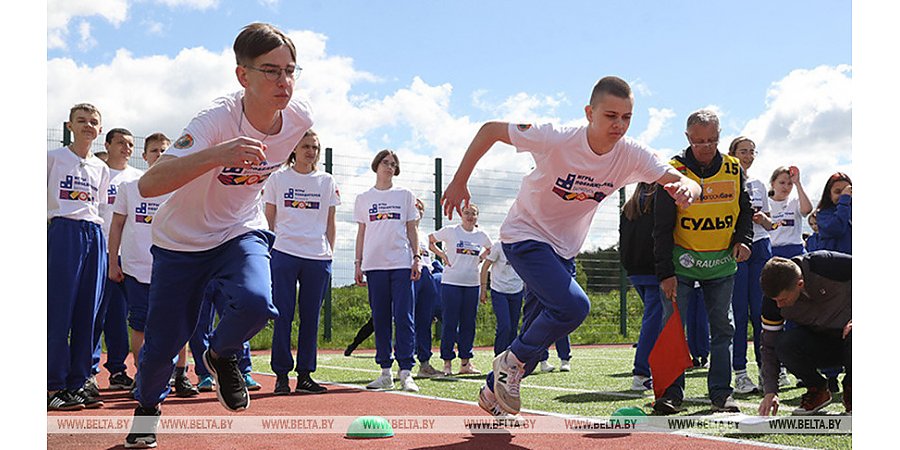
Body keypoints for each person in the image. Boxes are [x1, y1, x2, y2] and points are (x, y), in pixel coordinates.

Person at [441, 76, 701, 418]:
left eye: (626, 117)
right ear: (589, 112)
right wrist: (460, 180)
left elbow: (681, 180)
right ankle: (509, 361)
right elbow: (490, 130)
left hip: (563, 252)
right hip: (525, 235)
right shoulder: (556, 137)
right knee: (574, 307)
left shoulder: (631, 155)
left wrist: (688, 190)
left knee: (534, 343)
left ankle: (493, 389)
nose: (619, 125)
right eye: (610, 116)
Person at [125, 23, 312, 448]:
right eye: (271, 71)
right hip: (181, 243)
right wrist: (220, 154)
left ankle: (222, 352)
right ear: (242, 75)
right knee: (163, 344)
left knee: (258, 303)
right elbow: (150, 185)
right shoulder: (215, 120)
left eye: (290, 71)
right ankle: (148, 408)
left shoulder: (300, 118)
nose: (284, 82)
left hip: (239, 230)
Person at [652, 109, 753, 415]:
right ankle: (670, 394)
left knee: (724, 327)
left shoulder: (735, 169)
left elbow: (745, 211)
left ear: (720, 137)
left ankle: (721, 393)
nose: (706, 147)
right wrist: (664, 273)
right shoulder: (672, 171)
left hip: (721, 263)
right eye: (698, 142)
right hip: (681, 262)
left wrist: (743, 239)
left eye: (711, 140)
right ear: (687, 138)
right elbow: (661, 226)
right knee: (672, 327)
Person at [107, 132, 198, 399]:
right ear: (145, 156)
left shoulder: (181, 188)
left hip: (173, 267)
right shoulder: (129, 187)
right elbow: (117, 226)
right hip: (136, 267)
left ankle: (180, 374)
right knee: (139, 325)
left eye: (164, 151)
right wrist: (114, 261)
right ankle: (143, 374)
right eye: (154, 150)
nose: (159, 155)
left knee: (178, 324)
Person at [264, 129, 339, 395]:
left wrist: (329, 251)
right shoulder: (277, 178)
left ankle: (305, 375)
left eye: (315, 147)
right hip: (283, 252)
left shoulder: (326, 181)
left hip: (317, 257)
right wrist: (268, 251)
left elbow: (331, 221)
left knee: (311, 318)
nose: (311, 151)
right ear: (294, 149)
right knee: (282, 314)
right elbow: (268, 218)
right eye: (306, 146)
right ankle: (281, 376)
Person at [47, 103, 111, 411]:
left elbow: (99, 207)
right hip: (63, 232)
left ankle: (79, 381)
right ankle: (53, 385)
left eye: (93, 122)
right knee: (59, 310)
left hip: (93, 235)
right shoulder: (53, 159)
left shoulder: (102, 168)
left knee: (89, 312)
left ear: (99, 130)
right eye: (81, 120)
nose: (88, 125)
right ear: (70, 125)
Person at [353, 149, 421, 392]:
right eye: (385, 162)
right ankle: (385, 372)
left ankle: (406, 372)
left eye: (393, 164)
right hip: (374, 265)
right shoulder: (363, 198)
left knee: (404, 316)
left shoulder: (405, 195)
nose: (389, 167)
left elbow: (412, 228)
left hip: (401, 263)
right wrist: (358, 263)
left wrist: (417, 257)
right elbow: (361, 232)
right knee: (380, 318)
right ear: (376, 165)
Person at [757, 251, 851, 416]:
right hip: (823, 343)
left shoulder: (828, 265)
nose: (779, 305)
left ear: (799, 284)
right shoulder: (772, 301)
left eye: (783, 300)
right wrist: (770, 391)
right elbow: (769, 346)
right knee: (784, 344)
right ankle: (818, 390)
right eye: (775, 300)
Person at [90, 128, 143, 397]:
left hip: (131, 256)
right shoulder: (97, 173)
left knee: (125, 317)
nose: (126, 147)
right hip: (100, 253)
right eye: (120, 142)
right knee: (96, 314)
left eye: (130, 144)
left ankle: (119, 371)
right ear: (107, 145)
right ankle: (88, 372)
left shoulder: (139, 178)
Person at [726, 137, 772, 395]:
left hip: (761, 246)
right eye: (743, 151)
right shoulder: (725, 181)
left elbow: (770, 223)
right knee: (739, 314)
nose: (748, 156)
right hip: (735, 247)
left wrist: (764, 219)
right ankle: (740, 374)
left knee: (761, 313)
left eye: (752, 152)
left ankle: (767, 373)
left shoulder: (758, 184)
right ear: (731, 154)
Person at [429, 204, 492, 376]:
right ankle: (447, 363)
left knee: (468, 324)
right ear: (461, 215)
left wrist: (481, 258)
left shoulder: (481, 235)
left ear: (477, 217)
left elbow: (491, 249)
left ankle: (465, 362)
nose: (470, 216)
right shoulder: (451, 231)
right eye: (466, 213)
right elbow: (431, 240)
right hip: (451, 283)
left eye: (473, 213)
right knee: (449, 322)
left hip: (472, 284)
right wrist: (442, 255)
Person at [619, 182, 661, 392]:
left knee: (654, 320)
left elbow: (623, 241)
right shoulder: (658, 203)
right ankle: (642, 372)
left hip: (635, 271)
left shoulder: (629, 206)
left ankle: (648, 370)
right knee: (653, 322)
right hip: (654, 270)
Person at [412, 199, 444, 378]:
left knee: (425, 322)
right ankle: (405, 364)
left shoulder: (424, 235)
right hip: (410, 276)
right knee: (407, 320)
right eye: (415, 207)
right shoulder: (403, 230)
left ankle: (424, 364)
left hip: (427, 277)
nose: (418, 210)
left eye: (421, 207)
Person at [481, 241, 524, 359]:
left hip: (517, 291)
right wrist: (483, 289)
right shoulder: (498, 246)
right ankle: (499, 358)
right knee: (505, 326)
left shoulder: (523, 245)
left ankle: (511, 358)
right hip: (499, 291)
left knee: (514, 328)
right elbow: (485, 267)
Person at [767, 166, 813, 258]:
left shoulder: (795, 201)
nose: (786, 187)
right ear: (773, 184)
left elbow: (807, 210)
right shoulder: (766, 203)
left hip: (795, 250)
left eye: (790, 184)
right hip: (773, 250)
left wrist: (797, 183)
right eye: (782, 183)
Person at [814, 172, 852, 254]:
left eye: (847, 191)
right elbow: (837, 228)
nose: (843, 195)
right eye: (838, 192)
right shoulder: (822, 214)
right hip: (833, 263)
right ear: (829, 195)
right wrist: (844, 201)